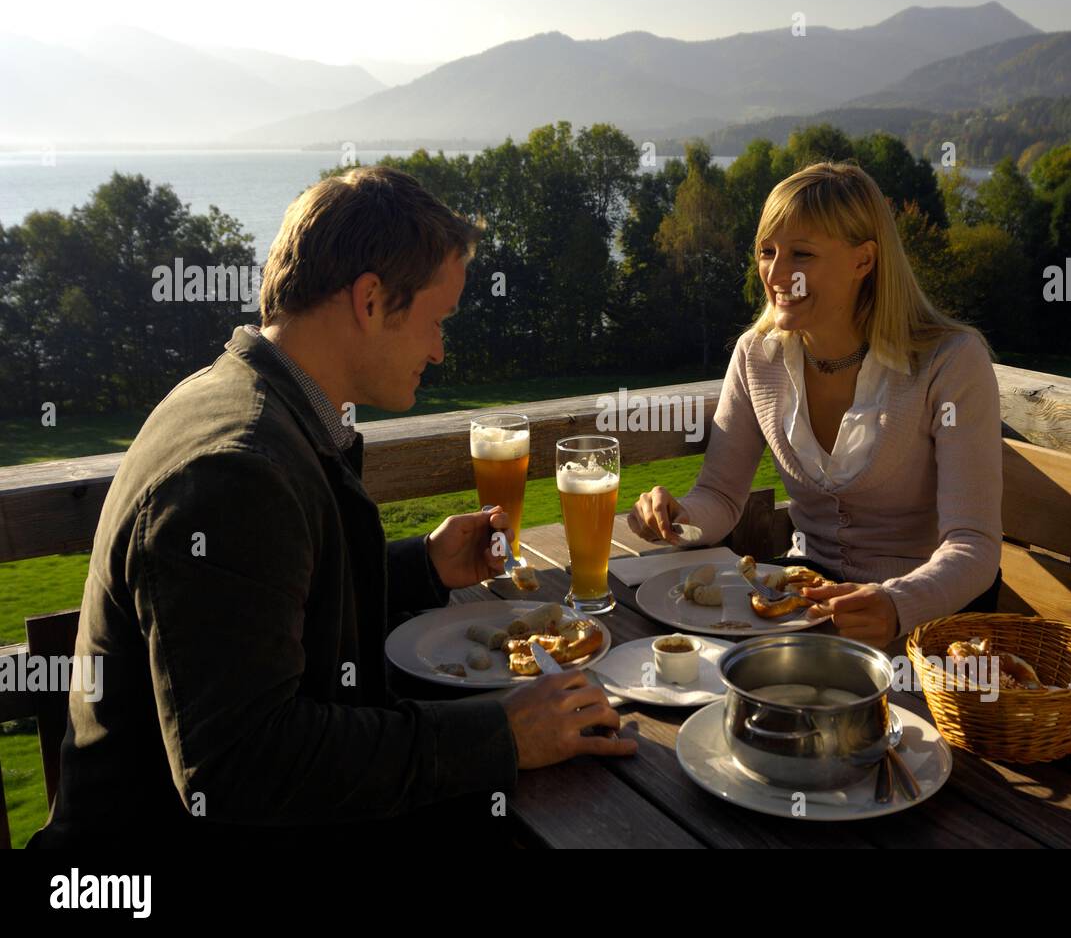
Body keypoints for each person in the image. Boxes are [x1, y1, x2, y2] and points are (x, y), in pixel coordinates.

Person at [30, 166, 635, 849]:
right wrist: (500, 735)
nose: (440, 349)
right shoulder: (235, 469)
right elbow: (242, 765)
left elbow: (274, 597)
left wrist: (422, 567)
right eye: (437, 321)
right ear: (370, 300)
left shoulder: (247, 400)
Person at [629, 161, 1003, 648]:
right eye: (767, 251)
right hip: (805, 606)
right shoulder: (756, 356)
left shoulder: (950, 362)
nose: (777, 273)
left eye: (801, 254)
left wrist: (896, 604)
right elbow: (720, 497)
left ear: (863, 261)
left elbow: (973, 545)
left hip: (929, 621)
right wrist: (676, 516)